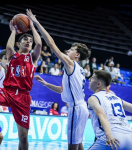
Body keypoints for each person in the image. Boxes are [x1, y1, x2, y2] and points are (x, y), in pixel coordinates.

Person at [27, 8, 91, 150]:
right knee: (79, 144)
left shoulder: (70, 63)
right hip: (81, 107)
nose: (67, 51)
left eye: (71, 49)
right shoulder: (79, 70)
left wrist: (36, 22)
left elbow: (51, 43)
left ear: (77, 55)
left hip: (76, 108)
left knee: (72, 146)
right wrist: (46, 83)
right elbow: (63, 90)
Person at [0, 13, 42, 150]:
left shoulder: (32, 58)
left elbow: (39, 43)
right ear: (18, 43)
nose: (28, 41)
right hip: (7, 91)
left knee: (23, 137)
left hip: (23, 96)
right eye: (25, 39)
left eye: (30, 41)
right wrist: (14, 31)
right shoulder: (12, 56)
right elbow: (8, 48)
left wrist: (32, 26)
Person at [88, 70, 132, 150]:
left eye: (92, 77)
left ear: (98, 84)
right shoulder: (116, 97)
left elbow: (102, 115)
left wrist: (109, 135)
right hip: (129, 137)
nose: (89, 79)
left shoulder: (93, 98)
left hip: (113, 136)